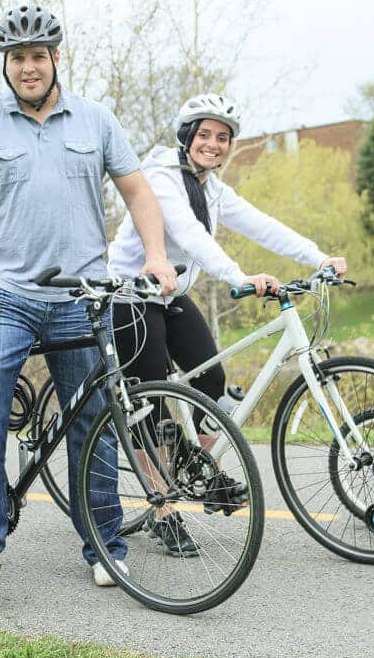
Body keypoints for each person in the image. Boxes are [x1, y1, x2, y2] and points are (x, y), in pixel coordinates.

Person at [0, 4, 176, 594]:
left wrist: (155, 255)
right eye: (17, 58)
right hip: (6, 296)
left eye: (37, 57)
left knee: (95, 417)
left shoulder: (95, 121)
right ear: (6, 63)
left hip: (83, 294)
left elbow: (138, 192)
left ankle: (103, 545)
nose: (28, 67)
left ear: (55, 59)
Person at [107, 93, 347, 557]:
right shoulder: (160, 176)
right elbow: (189, 236)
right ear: (186, 137)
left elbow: (261, 224)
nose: (213, 144)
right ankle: (163, 509)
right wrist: (240, 277)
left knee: (211, 378)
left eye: (223, 137)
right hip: (131, 295)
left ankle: (198, 469)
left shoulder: (211, 187)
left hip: (171, 293)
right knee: (153, 399)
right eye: (205, 135)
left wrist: (318, 256)